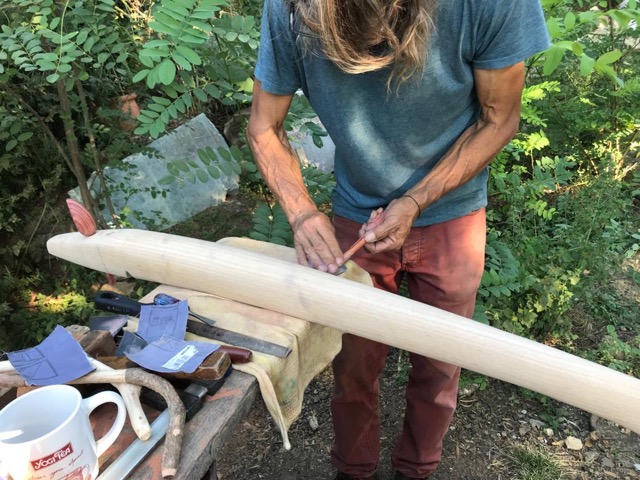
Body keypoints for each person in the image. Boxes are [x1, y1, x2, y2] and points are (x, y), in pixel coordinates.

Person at [247, 1, 550, 478]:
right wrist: (302, 214)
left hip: (453, 217)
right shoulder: (290, 9)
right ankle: (354, 469)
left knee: (441, 364)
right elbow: (265, 125)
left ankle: (417, 469)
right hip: (355, 214)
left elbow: (500, 118)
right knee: (351, 364)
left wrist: (415, 200)